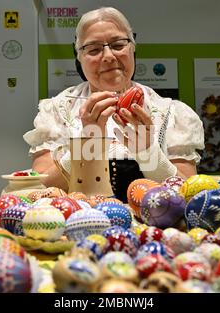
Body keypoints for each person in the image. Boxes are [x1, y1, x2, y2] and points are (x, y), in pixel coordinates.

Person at [24, 7, 204, 202]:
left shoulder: (170, 112)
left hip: (148, 228)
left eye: (118, 45)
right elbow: (40, 190)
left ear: (133, 48)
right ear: (79, 58)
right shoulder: (57, 111)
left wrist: (147, 153)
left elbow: (188, 195)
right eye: (94, 49)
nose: (109, 56)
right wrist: (88, 143)